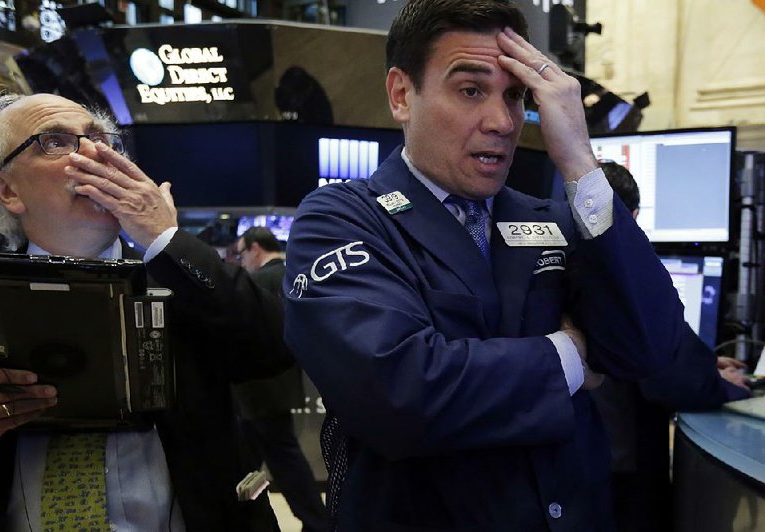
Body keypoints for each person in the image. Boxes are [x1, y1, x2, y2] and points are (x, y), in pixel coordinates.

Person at [281, 1, 749, 530]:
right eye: (471, 90)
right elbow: (402, 392)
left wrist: (578, 160)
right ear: (402, 94)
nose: (502, 122)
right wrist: (571, 355)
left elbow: (651, 344)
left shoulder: (552, 215)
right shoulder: (343, 220)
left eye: (515, 96)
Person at [0, 88, 292, 531]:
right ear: (6, 190)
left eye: (103, 139)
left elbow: (273, 347)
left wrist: (166, 239)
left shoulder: (178, 278)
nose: (96, 153)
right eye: (56, 141)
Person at [592, 160, 750, 532]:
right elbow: (670, 374)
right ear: (631, 215)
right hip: (619, 473)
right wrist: (728, 388)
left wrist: (706, 363)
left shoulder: (549, 255)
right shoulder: (624, 270)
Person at [232, 227, 327, 532]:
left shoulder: (254, 282)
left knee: (283, 460)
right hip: (281, 384)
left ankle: (317, 521)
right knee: (254, 459)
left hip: (257, 389)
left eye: (242, 252)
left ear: (255, 248)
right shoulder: (293, 276)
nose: (241, 259)